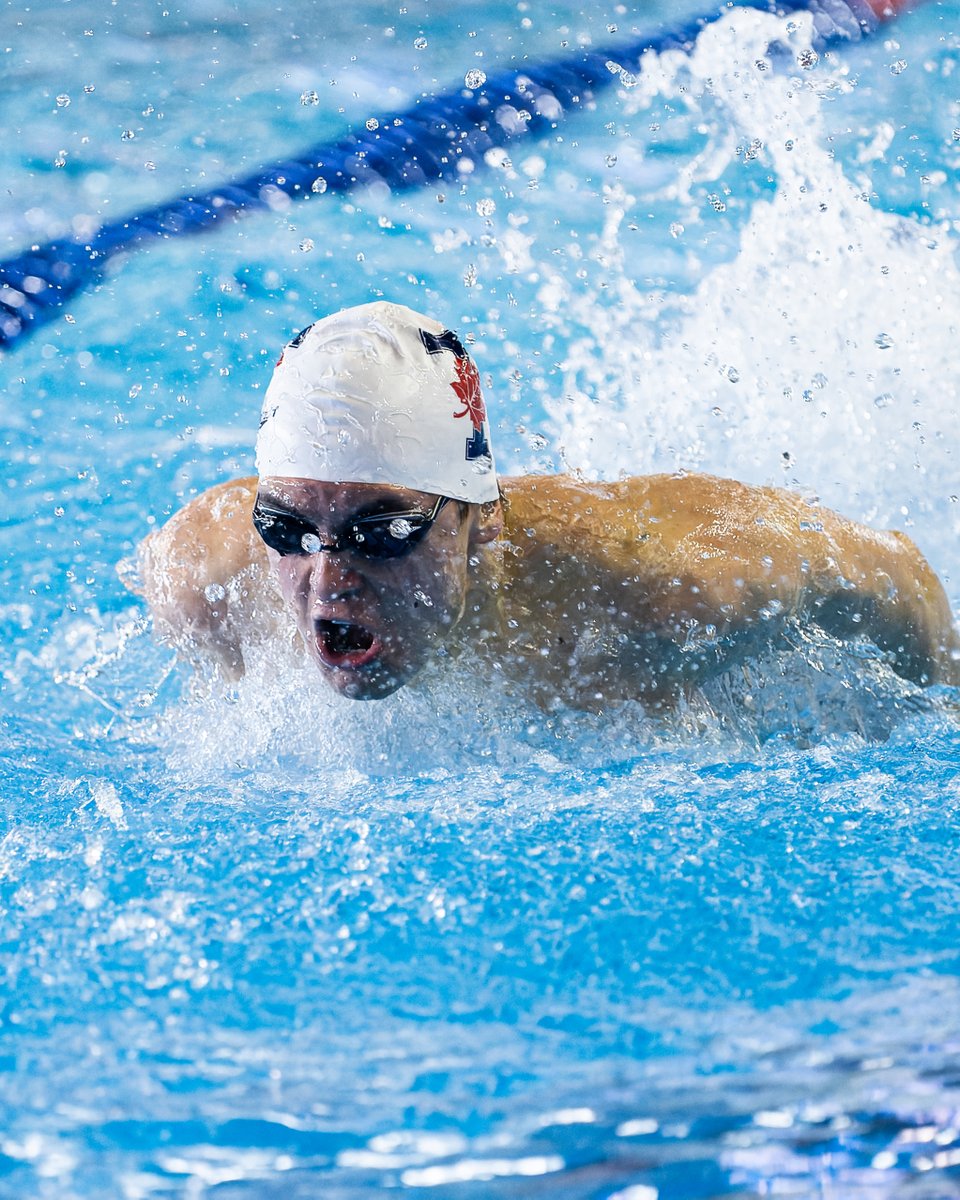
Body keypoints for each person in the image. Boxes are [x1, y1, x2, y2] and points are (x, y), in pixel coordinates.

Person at [132, 300, 960, 710]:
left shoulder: (670, 590)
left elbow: (899, 576)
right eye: (287, 530)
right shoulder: (202, 580)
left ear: (479, 517)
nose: (328, 580)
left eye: (381, 532)